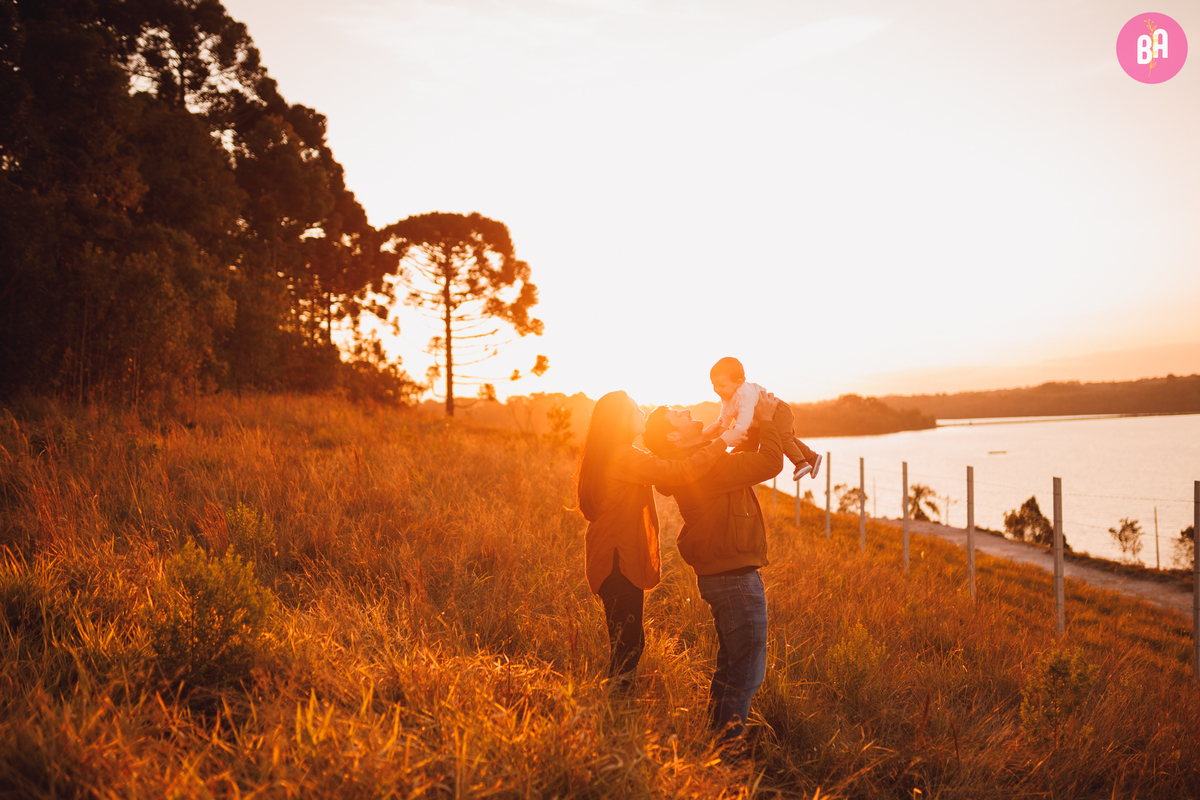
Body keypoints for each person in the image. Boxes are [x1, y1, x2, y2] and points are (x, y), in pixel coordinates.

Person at [577, 390, 747, 690]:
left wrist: (712, 432)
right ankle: (614, 716)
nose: (641, 412)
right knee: (627, 648)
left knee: (629, 644)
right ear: (619, 421)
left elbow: (668, 459)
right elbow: (677, 471)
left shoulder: (619, 453)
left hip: (613, 560)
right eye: (634, 409)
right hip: (617, 562)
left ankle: (616, 713)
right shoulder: (623, 455)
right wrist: (722, 443)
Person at [642, 392, 783, 745]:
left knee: (731, 664)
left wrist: (741, 420)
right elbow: (769, 463)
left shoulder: (699, 459)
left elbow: (743, 452)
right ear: (674, 437)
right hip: (735, 579)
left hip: (724, 575)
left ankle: (716, 739)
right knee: (746, 672)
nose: (686, 410)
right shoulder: (706, 465)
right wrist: (766, 419)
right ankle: (729, 751)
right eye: (677, 414)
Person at [701, 356, 822, 482]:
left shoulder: (744, 393)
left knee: (784, 439)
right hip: (767, 415)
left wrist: (737, 432)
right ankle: (812, 458)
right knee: (785, 438)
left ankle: (801, 463)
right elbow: (725, 414)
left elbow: (745, 415)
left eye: (721, 385)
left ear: (738, 382)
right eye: (714, 385)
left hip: (778, 410)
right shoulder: (728, 396)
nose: (717, 389)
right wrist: (722, 427)